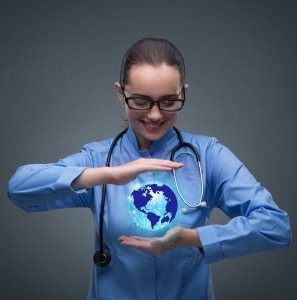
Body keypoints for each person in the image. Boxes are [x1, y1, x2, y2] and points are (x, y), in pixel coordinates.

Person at [7, 37, 291, 300]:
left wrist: (191, 238)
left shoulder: (208, 156)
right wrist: (110, 174)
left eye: (169, 101)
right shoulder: (99, 159)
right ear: (121, 93)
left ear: (183, 93)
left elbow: (275, 226)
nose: (155, 115)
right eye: (141, 101)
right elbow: (19, 187)